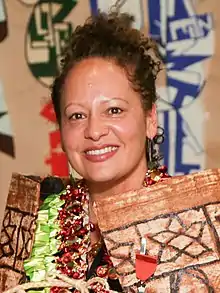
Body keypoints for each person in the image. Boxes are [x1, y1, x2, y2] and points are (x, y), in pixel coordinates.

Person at [2, 9, 219, 293]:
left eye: (114, 110)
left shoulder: (195, 220)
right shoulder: (36, 216)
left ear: (150, 119)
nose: (94, 131)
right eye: (77, 116)